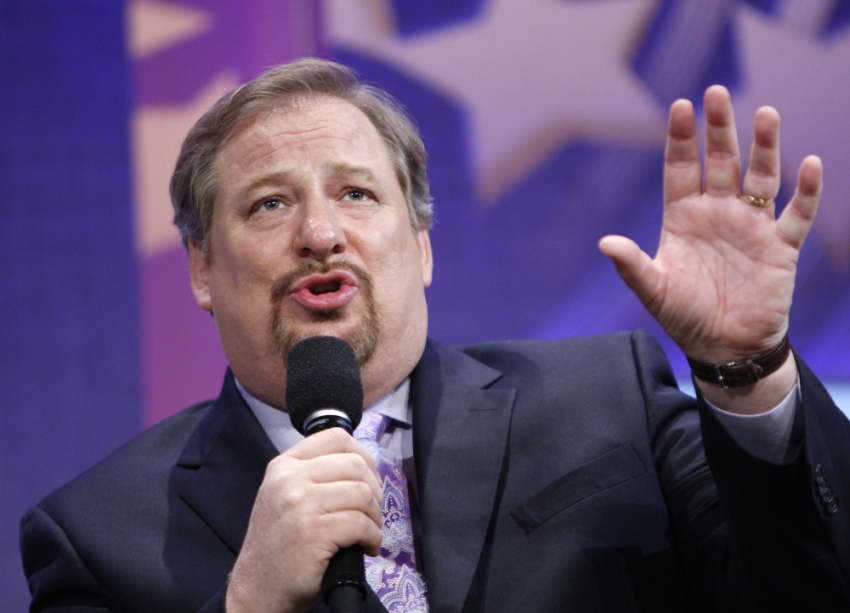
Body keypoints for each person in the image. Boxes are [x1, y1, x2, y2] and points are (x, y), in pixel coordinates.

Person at [21, 58, 850, 613]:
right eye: (269, 204)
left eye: (356, 193)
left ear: (420, 246)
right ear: (202, 269)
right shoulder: (95, 534)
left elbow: (810, 586)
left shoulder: (611, 395)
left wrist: (747, 371)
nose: (319, 232)